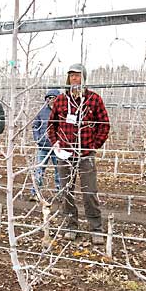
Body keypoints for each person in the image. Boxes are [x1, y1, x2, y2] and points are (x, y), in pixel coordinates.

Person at [47, 63, 110, 243]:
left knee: (90, 192)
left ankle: (96, 228)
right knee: (66, 191)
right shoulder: (60, 100)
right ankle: (70, 226)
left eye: (78, 75)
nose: (75, 78)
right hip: (65, 155)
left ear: (84, 78)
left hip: (85, 155)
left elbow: (104, 125)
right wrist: (55, 143)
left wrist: (94, 145)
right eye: (72, 75)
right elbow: (52, 125)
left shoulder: (94, 99)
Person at [31, 89, 62, 200]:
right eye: (49, 98)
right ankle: (35, 192)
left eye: (54, 98)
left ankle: (60, 193)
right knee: (39, 169)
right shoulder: (41, 111)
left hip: (58, 146)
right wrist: (38, 139)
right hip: (43, 145)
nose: (51, 100)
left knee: (59, 170)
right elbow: (35, 126)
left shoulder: (62, 112)